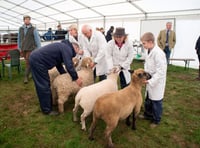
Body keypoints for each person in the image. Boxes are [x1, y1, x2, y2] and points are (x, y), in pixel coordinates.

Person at [29, 40, 83, 116]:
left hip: (36, 59)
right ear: (76, 48)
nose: (76, 53)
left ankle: (48, 104)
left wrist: (65, 76)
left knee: (45, 84)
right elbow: (69, 65)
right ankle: (47, 110)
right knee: (43, 85)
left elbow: (58, 64)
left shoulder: (62, 46)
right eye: (77, 51)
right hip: (38, 61)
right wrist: (76, 78)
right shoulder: (67, 48)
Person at [140, 32, 167, 128]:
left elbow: (161, 71)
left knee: (156, 101)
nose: (143, 46)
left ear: (150, 42)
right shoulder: (149, 51)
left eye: (144, 43)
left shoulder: (159, 53)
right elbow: (147, 65)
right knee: (148, 99)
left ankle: (156, 120)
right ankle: (147, 114)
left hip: (157, 80)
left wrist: (151, 81)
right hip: (149, 77)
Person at [17, 15, 41, 84]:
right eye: (26, 19)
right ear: (24, 20)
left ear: (30, 20)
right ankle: (33, 74)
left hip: (31, 48)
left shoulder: (33, 29)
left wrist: (39, 48)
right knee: (29, 62)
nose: (27, 20)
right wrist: (19, 47)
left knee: (28, 62)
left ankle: (26, 77)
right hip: (23, 48)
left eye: (28, 19)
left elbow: (37, 39)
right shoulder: (20, 28)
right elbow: (19, 38)